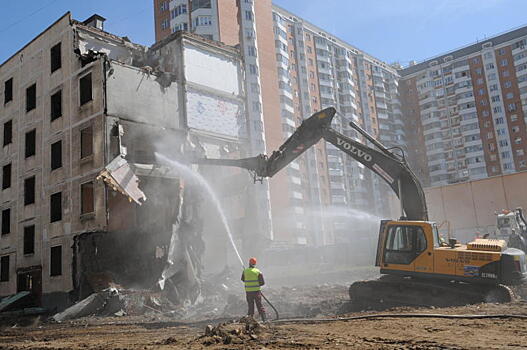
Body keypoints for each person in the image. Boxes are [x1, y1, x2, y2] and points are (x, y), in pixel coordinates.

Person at [241, 257, 267, 322]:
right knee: (259, 305)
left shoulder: (245, 271)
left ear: (249, 263)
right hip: (256, 292)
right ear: (255, 264)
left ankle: (250, 320)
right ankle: (264, 320)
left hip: (249, 292)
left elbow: (243, 279)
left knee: (250, 306)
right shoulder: (258, 271)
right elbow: (262, 283)